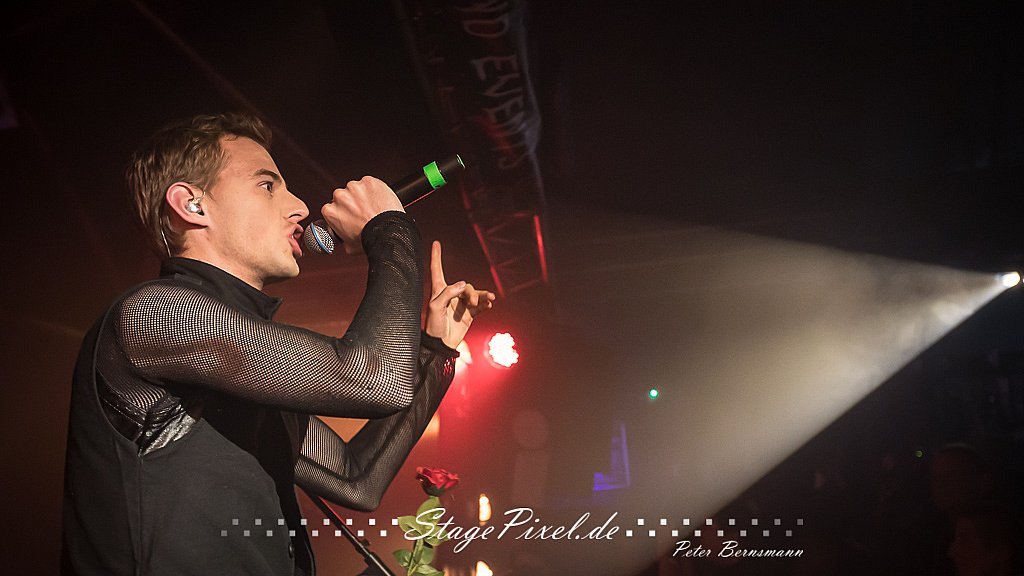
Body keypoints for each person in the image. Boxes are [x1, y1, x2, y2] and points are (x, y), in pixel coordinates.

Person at [61, 112, 494, 575]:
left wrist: (433, 350)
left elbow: (356, 478)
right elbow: (377, 381)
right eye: (267, 185)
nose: (301, 207)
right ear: (192, 204)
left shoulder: (238, 359)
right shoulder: (156, 314)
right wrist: (388, 228)